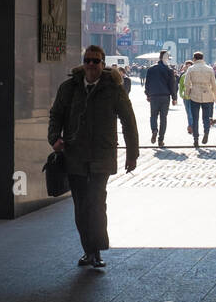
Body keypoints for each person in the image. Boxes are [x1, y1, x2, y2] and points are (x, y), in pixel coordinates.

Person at [48, 45, 139, 267]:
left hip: (102, 154)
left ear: (103, 63)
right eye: (87, 60)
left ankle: (96, 250)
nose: (91, 65)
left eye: (95, 61)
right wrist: (54, 138)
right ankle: (88, 250)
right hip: (75, 154)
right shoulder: (69, 87)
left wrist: (132, 154)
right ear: (83, 62)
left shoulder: (114, 88)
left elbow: (128, 121)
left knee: (97, 202)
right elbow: (56, 114)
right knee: (81, 204)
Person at [143, 50, 178, 147]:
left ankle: (154, 130)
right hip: (165, 96)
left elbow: (147, 83)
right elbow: (172, 85)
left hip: (154, 96)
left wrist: (148, 94)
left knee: (153, 116)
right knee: (163, 119)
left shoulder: (151, 69)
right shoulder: (169, 70)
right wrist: (174, 98)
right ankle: (160, 140)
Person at [184, 52, 216, 147]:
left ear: (194, 59)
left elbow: (186, 83)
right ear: (203, 58)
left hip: (195, 94)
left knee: (195, 118)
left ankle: (196, 139)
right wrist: (215, 97)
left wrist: (187, 94)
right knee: (206, 117)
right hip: (207, 95)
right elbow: (214, 85)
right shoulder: (209, 69)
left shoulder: (191, 68)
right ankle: (206, 132)